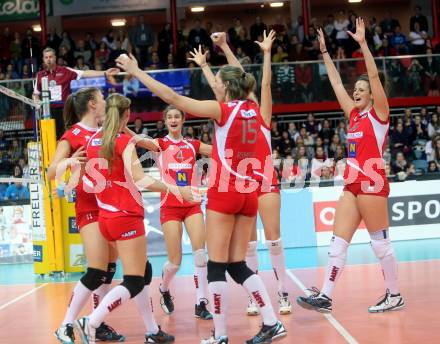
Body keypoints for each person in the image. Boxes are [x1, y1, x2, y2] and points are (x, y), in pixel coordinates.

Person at [116, 31, 286, 344]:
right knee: (237, 265)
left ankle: (220, 335)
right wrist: (251, 53)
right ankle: (272, 321)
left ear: (228, 86)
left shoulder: (222, 110)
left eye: (219, 81)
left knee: (217, 267)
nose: (215, 84)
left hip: (226, 190)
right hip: (250, 193)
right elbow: (259, 83)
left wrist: (137, 71)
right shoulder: (258, 110)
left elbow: (172, 97)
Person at [297, 19, 404, 313]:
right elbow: (334, 83)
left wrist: (363, 43)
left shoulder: (379, 114)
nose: (355, 92)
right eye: (354, 89)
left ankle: (394, 294)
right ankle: (327, 296)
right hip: (352, 183)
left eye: (360, 89)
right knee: (337, 243)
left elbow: (373, 74)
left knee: (380, 245)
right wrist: (324, 53)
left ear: (371, 94)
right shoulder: (353, 115)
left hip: (373, 182)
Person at [75, 93, 196, 344]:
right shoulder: (121, 142)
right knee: (134, 280)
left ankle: (152, 330)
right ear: (127, 115)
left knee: (143, 270)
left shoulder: (93, 140)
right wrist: (176, 189)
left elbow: (87, 181)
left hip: (105, 219)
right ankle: (93, 320)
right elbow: (141, 179)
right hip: (126, 217)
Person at [188, 32, 292, 316]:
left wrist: (258, 53)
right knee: (248, 245)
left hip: (264, 178)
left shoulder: (258, 113)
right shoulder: (235, 111)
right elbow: (225, 89)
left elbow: (252, 82)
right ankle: (254, 296)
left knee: (273, 239)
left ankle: (283, 291)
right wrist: (208, 65)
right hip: (239, 181)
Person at [47, 87, 124, 343]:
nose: (104, 102)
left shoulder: (105, 132)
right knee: (96, 269)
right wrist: (69, 163)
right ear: (92, 104)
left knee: (109, 268)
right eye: (102, 99)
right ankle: (66, 325)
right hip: (89, 206)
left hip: (110, 205)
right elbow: (50, 171)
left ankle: (97, 322)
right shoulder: (73, 134)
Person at [124, 105, 213, 320]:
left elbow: (219, 151)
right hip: (170, 206)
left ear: (183, 120)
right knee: (175, 262)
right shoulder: (161, 145)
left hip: (191, 204)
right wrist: (123, 127)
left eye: (177, 117)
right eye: (170, 117)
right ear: (165, 121)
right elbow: (139, 140)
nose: (173, 120)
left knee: (200, 254)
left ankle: (201, 301)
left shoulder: (193, 145)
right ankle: (164, 288)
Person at [33, 47, 119, 139]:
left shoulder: (65, 71)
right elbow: (35, 94)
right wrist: (36, 101)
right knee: (51, 139)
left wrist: (105, 73)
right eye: (46, 57)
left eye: (50, 57)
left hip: (65, 110)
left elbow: (85, 73)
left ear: (55, 58)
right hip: (48, 112)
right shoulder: (40, 75)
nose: (48, 59)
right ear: (43, 59)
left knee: (67, 137)